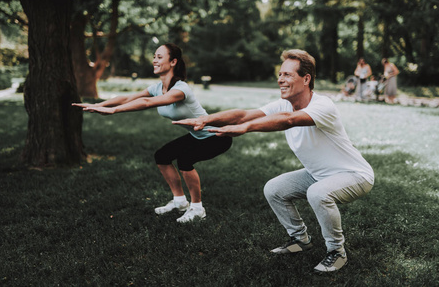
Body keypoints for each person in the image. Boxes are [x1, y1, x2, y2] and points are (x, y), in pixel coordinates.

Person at [174, 49, 374, 273]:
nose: (280, 79)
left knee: (318, 193)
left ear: (306, 79)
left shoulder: (323, 106)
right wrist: (206, 118)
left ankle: (337, 252)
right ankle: (300, 240)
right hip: (318, 174)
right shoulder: (284, 104)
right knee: (274, 189)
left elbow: (288, 121)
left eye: (287, 75)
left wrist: (246, 129)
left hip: (355, 175)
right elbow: (244, 115)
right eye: (280, 74)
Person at [73, 43, 232, 223]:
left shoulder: (181, 89)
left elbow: (148, 103)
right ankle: (180, 202)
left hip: (217, 136)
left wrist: (114, 111)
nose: (154, 60)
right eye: (154, 56)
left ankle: (197, 208)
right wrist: (98, 105)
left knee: (185, 161)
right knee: (162, 156)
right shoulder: (158, 87)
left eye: (159, 57)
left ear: (173, 62)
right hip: (198, 135)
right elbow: (127, 98)